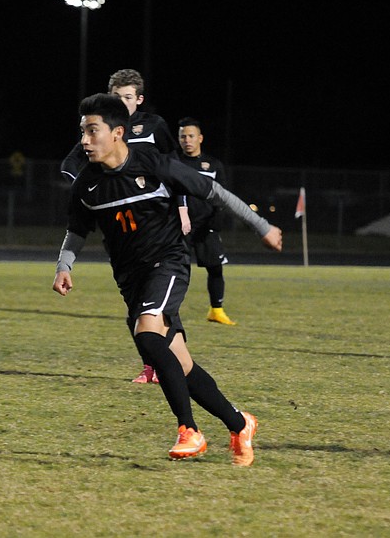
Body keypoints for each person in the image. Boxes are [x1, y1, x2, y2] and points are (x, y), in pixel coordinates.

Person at [52, 94, 282, 465]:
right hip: (131, 280)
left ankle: (189, 431)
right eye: (82, 132)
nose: (84, 141)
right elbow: (76, 231)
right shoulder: (87, 185)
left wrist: (263, 226)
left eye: (93, 131)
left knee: (147, 333)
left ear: (118, 133)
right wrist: (64, 266)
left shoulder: (156, 165)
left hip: (168, 263)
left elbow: (215, 192)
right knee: (180, 365)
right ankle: (240, 423)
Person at [60, 68, 178, 384]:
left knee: (160, 304)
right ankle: (157, 364)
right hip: (119, 229)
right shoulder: (98, 130)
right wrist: (89, 194)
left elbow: (174, 168)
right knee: (135, 306)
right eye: (117, 97)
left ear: (139, 100)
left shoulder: (154, 127)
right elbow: (71, 165)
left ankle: (164, 367)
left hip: (156, 225)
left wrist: (181, 209)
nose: (121, 102)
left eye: (127, 97)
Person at [176, 117, 236, 325]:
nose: (187, 140)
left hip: (206, 226)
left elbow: (222, 195)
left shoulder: (213, 165)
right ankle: (168, 311)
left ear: (200, 138)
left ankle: (216, 310)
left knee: (215, 268)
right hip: (180, 227)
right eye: (183, 136)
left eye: (191, 136)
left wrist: (217, 218)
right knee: (177, 270)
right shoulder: (175, 163)